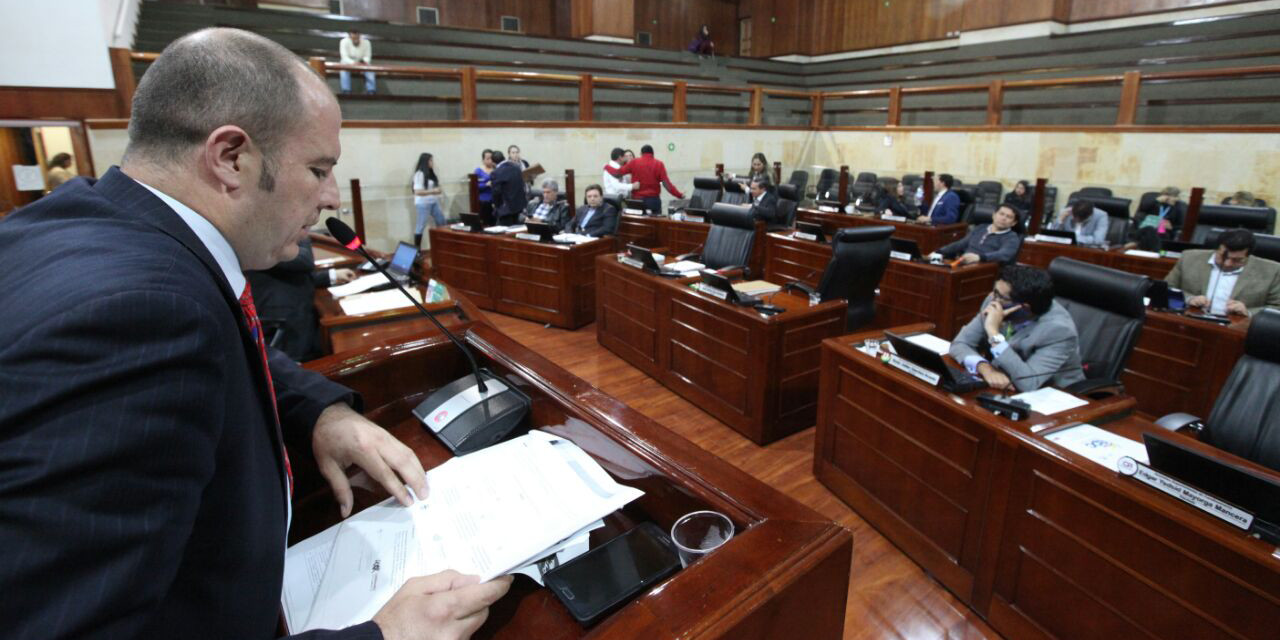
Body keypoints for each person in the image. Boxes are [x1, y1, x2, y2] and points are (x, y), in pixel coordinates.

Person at [0, 28, 511, 640]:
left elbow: (235, 345)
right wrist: (384, 638)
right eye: (318, 169)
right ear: (231, 157)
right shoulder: (142, 315)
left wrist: (321, 413)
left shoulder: (84, 218)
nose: (328, 197)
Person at [949, 265, 1087, 392]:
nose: (993, 299)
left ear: (1024, 307)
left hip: (1055, 396)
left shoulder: (1059, 331)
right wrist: (985, 368)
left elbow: (1028, 383)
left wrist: (994, 333)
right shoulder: (994, 301)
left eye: (1000, 296)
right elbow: (960, 344)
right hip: (1006, 382)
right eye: (995, 292)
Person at [247, 237, 356, 361]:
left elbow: (295, 274)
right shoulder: (263, 240)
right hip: (284, 330)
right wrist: (302, 236)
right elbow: (305, 261)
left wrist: (332, 275)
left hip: (297, 319)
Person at [1164, 228, 1280, 317]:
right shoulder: (1189, 257)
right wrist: (1189, 299)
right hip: (1191, 320)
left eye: (1237, 260)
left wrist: (1248, 312)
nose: (1228, 263)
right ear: (1216, 249)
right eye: (1223, 257)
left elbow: (1277, 307)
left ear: (1248, 256)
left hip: (1238, 330)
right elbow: (1167, 288)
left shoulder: (1272, 270)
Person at [604, 144, 684, 215]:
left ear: (641, 154)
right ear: (653, 154)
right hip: (654, 201)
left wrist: (607, 167)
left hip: (637, 201)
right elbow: (666, 184)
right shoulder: (659, 164)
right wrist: (679, 195)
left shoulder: (634, 162)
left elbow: (618, 173)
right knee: (656, 224)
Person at [935, 204, 1023, 265]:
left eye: (1009, 217)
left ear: (1013, 223)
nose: (1004, 218)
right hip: (962, 264)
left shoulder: (1011, 238)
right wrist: (938, 252)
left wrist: (980, 258)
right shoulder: (981, 227)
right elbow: (961, 244)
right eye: (1001, 214)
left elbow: (1004, 254)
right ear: (994, 215)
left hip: (984, 269)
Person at [1127, 186, 1185, 250]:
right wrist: (1156, 201)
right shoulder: (1155, 204)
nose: (1177, 199)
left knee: (1155, 231)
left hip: (1163, 232)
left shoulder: (1178, 208)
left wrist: (1171, 227)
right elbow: (1143, 209)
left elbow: (1181, 226)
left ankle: (1137, 245)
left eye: (1177, 197)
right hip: (1146, 229)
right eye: (1175, 196)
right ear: (1166, 197)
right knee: (1149, 229)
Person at [411, 152, 445, 247]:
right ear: (425, 161)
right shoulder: (419, 174)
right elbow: (417, 191)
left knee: (441, 222)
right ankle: (417, 250)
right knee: (421, 225)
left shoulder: (431, 174)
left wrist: (438, 191)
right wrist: (433, 191)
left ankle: (443, 245)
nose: (432, 163)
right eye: (430, 160)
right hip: (423, 203)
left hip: (433, 201)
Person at [488, 150, 526, 225]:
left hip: (505, 208)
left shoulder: (496, 172)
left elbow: (496, 192)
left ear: (493, 162)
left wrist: (496, 205)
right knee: (515, 231)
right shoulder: (516, 167)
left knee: (503, 233)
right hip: (518, 206)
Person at [338, 30, 375, 94]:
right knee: (343, 69)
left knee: (370, 69)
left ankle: (371, 90)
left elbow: (368, 56)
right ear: (349, 36)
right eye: (353, 37)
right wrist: (353, 63)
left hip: (362, 63)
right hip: (347, 63)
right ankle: (346, 90)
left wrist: (362, 62)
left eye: (357, 37)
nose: (355, 39)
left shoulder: (366, 42)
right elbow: (344, 57)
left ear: (360, 36)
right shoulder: (343, 41)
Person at [474, 148, 495, 223]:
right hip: (484, 196)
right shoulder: (478, 171)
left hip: (495, 195)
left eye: (491, 158)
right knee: (486, 204)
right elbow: (475, 186)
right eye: (488, 158)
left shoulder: (496, 169)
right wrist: (486, 185)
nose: (490, 160)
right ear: (483, 160)